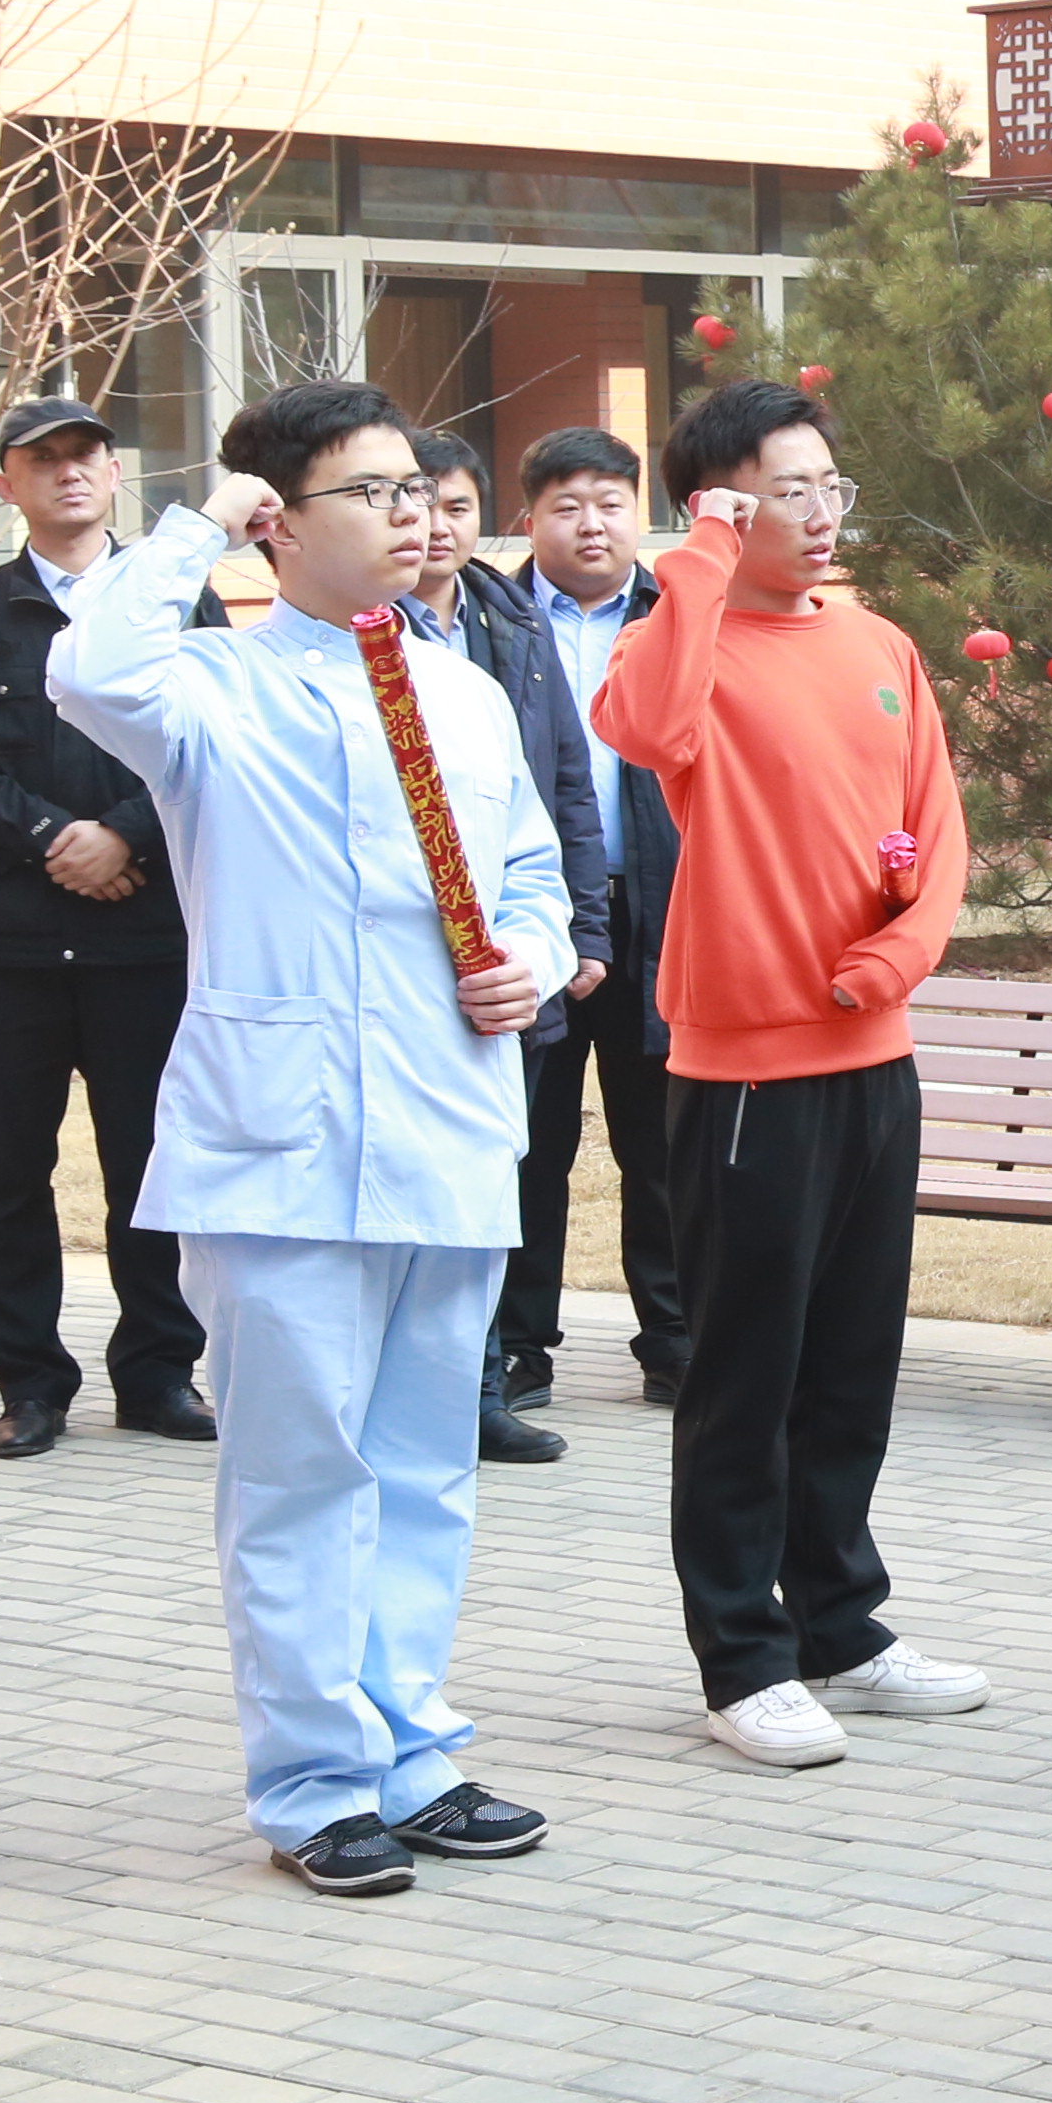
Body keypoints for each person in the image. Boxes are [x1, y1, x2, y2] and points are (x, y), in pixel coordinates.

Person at [49, 384, 572, 1896]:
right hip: (279, 1145)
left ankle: (413, 1752)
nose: (413, 517)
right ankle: (313, 1782)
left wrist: (528, 959)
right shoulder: (208, 688)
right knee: (298, 1477)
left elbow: (531, 873)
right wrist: (200, 523)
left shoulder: (463, 690)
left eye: (419, 489)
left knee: (422, 1468)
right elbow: (87, 664)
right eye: (372, 493)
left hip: (448, 1122)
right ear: (279, 522)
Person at [591, 378, 986, 1771]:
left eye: (831, 487)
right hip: (745, 1074)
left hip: (873, 1058)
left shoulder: (878, 645)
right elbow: (644, 730)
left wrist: (897, 957)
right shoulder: (679, 647)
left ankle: (842, 1628)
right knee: (744, 1379)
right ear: (722, 507)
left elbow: (936, 831)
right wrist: (699, 552)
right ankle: (741, 1659)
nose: (821, 515)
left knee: (850, 1366)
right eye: (787, 492)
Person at [0, 398, 214, 1464]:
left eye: (87, 455)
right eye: (44, 460)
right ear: (8, 486)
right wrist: (51, 837)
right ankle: (29, 1385)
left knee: (152, 1167)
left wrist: (125, 833)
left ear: (116, 474)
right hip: (12, 949)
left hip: (146, 941)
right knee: (9, 1174)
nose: (70, 472)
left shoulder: (177, 601)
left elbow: (216, 738)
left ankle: (159, 1373)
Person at [405, 432, 611, 1469]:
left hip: (513, 947)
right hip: (409, 951)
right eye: (416, 504)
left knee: (503, 1171)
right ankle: (427, 1384)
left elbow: (565, 783)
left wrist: (581, 928)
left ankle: (481, 1387)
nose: (436, 527)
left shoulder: (511, 620)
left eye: (455, 506)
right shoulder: (359, 630)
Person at [501, 427, 687, 1417]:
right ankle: (516, 1345)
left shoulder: (679, 612)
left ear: (638, 515)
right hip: (532, 909)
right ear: (528, 517)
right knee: (530, 1140)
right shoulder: (493, 619)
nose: (591, 524)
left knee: (659, 1142)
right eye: (566, 505)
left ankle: (674, 1340)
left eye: (610, 504)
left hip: (655, 903)